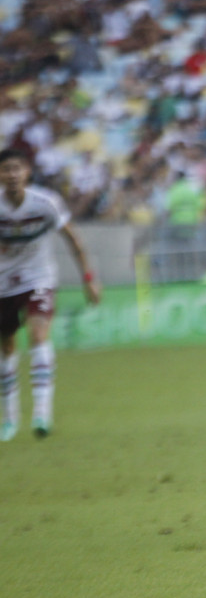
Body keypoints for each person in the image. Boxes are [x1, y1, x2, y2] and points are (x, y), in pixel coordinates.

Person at [0, 148, 102, 441]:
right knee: (6, 348)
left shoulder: (46, 203)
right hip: (4, 284)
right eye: (6, 169)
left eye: (17, 168)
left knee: (38, 335)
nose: (12, 175)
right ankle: (9, 418)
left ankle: (42, 414)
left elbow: (74, 240)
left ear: (27, 172)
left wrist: (89, 279)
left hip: (38, 278)